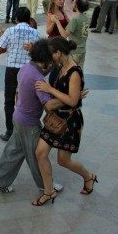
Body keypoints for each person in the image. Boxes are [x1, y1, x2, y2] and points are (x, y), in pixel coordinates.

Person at [0, 39, 63, 194]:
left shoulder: (26, 68)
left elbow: (40, 72)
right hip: (29, 124)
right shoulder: (37, 80)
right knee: (38, 156)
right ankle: (46, 185)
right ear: (46, 59)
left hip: (17, 117)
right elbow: (49, 105)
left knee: (13, 152)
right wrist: (69, 98)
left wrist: (52, 67)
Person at [34, 37, 97, 205]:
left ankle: (88, 176)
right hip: (55, 117)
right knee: (40, 153)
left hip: (70, 120)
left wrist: (49, 89)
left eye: (51, 54)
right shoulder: (60, 66)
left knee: (63, 160)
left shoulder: (74, 72)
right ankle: (48, 191)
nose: (50, 58)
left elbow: (73, 101)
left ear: (58, 53)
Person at [0, 7, 41, 141]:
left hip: (12, 70)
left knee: (9, 100)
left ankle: (10, 131)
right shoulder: (36, 34)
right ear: (29, 19)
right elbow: (42, 54)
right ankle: (28, 129)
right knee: (28, 100)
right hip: (29, 70)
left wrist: (7, 44)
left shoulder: (9, 31)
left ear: (16, 19)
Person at [49, 0, 90, 71]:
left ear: (76, 6)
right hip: (82, 50)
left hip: (75, 52)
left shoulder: (75, 19)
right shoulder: (86, 18)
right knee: (80, 72)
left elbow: (64, 34)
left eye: (74, 3)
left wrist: (57, 21)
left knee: (71, 71)